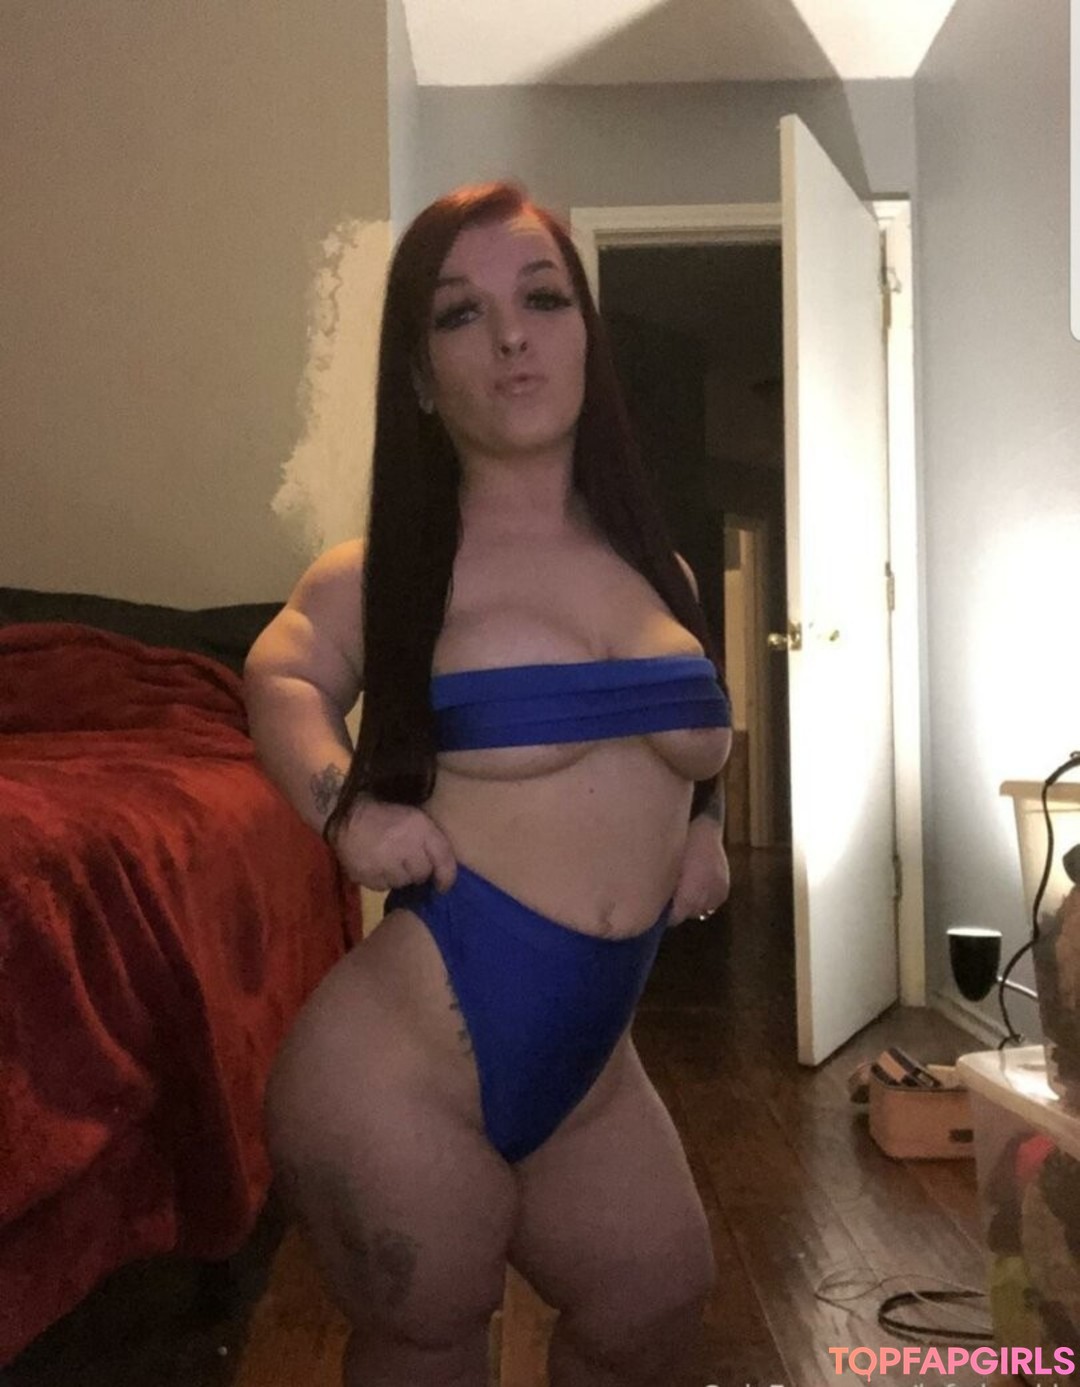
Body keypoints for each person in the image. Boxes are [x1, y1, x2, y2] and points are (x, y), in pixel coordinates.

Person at [243, 179, 733, 1387]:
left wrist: (706, 823)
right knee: (432, 1341)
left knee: (656, 1302)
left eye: (544, 299)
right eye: (461, 313)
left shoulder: (661, 569)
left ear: (585, 338)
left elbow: (685, 732)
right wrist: (344, 807)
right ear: (420, 375)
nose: (513, 336)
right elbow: (279, 673)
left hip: (590, 1067)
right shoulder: (386, 573)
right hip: (398, 1075)